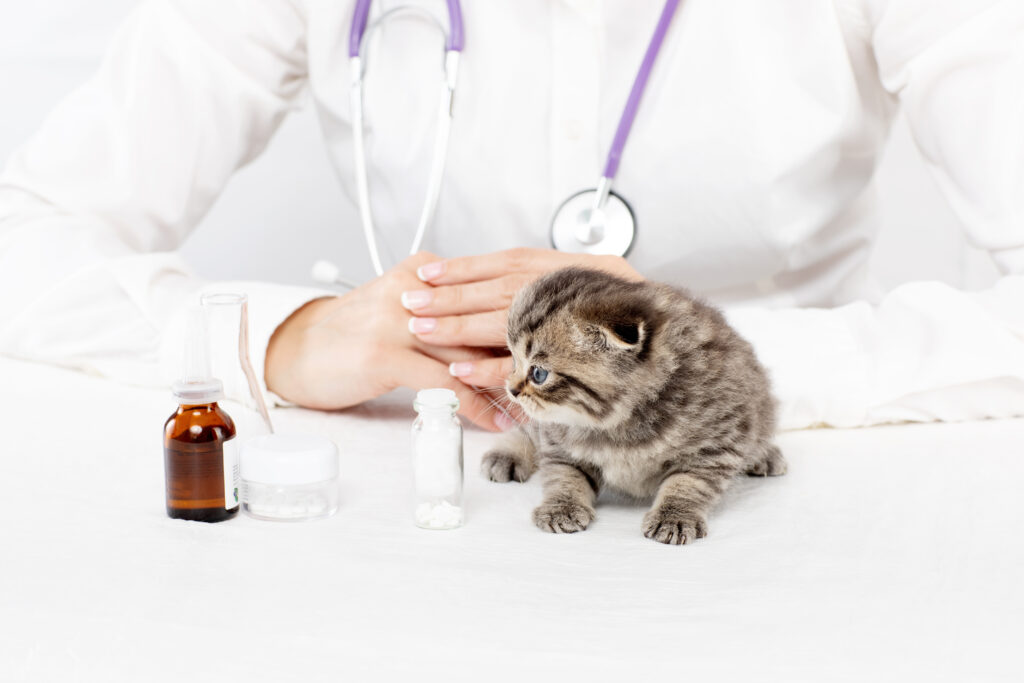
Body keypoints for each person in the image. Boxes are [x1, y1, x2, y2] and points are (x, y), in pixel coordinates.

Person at [1, 0, 1022, 432]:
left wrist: (701, 359)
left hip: (792, 485)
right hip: (406, 517)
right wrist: (281, 340)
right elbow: (24, 234)